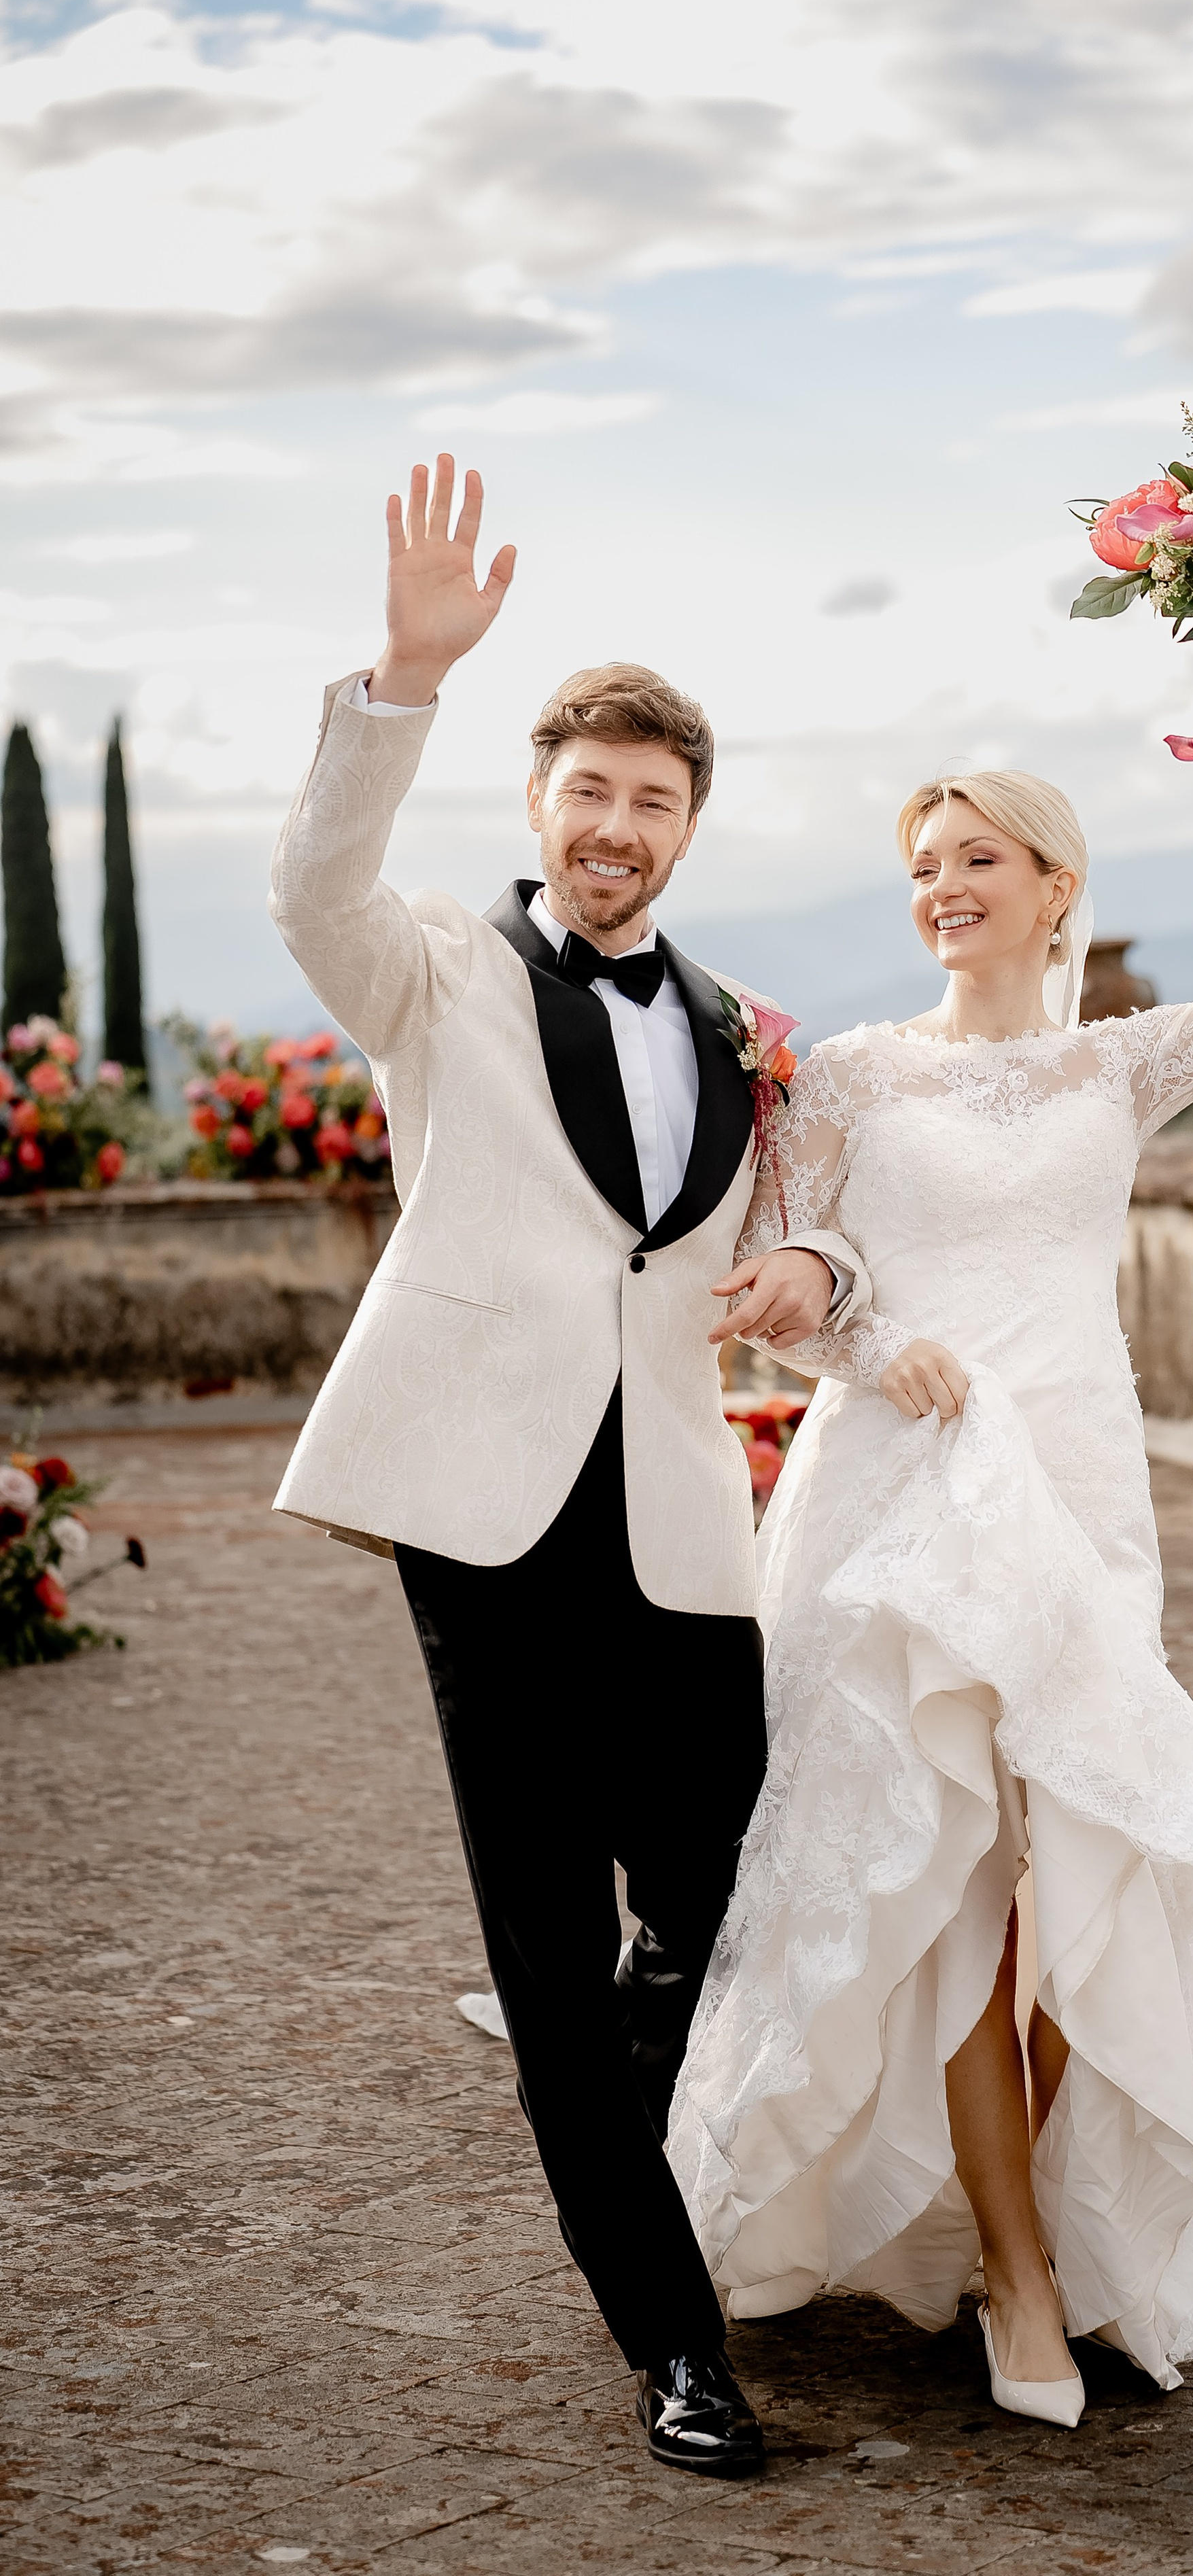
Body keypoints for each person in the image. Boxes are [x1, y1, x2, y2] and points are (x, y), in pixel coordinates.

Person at [670, 643, 1193, 2423]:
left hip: (1075, 1487)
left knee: (1085, 1862)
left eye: (978, 857)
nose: (944, 888)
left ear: (1056, 889)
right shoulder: (842, 1078)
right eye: (925, 864)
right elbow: (791, 1285)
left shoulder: (1116, 1071)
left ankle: (1055, 2210)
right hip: (898, 1495)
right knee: (958, 1884)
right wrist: (862, 1340)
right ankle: (1013, 2269)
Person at [268, 457, 869, 2477]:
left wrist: (818, 1265)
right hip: (482, 1514)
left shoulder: (735, 1030)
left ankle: (609, 2073)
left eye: (655, 803)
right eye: (590, 793)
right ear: (541, 801)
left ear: (690, 829)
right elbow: (309, 894)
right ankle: (676, 2341)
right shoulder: (432, 969)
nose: (617, 830)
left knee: (719, 1906)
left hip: (691, 1520)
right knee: (542, 1932)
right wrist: (401, 680)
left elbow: (810, 1221)